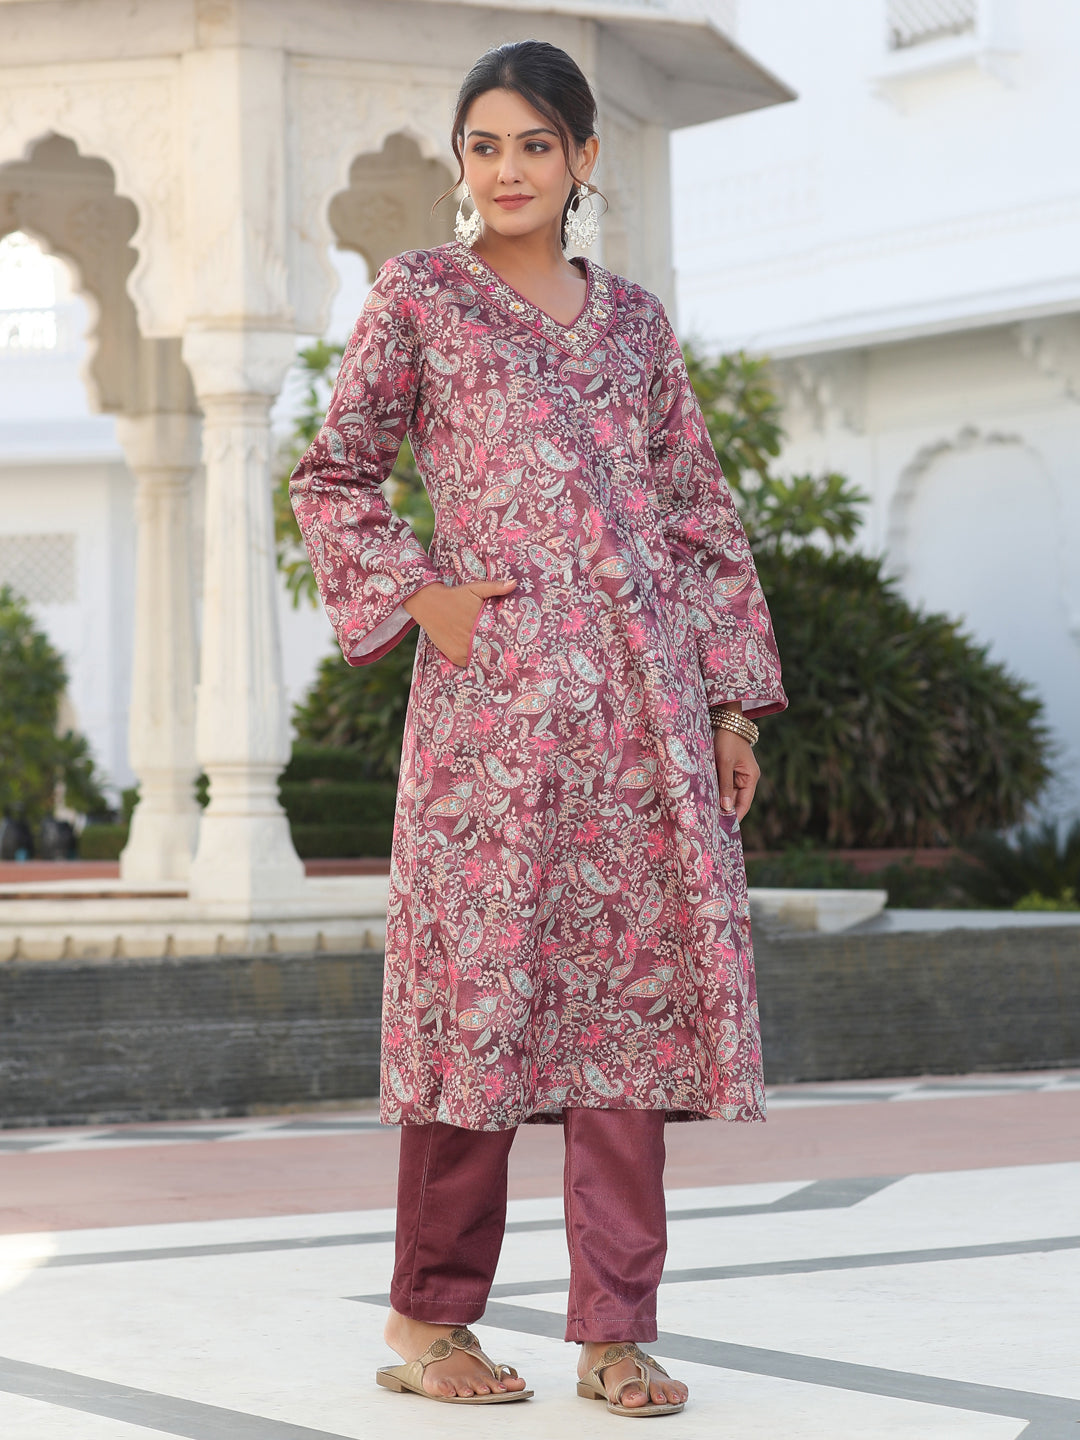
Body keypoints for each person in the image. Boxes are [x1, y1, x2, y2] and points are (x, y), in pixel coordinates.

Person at [290, 38, 787, 1416]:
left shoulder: (635, 326)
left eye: (534, 145)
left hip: (643, 723)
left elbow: (697, 516)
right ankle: (426, 1323)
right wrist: (423, 597)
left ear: (582, 159)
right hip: (491, 729)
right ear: (462, 162)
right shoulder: (421, 298)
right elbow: (334, 476)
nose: (507, 170)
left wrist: (732, 706)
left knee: (626, 1018)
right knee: (479, 1010)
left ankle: (615, 1332)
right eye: (484, 145)